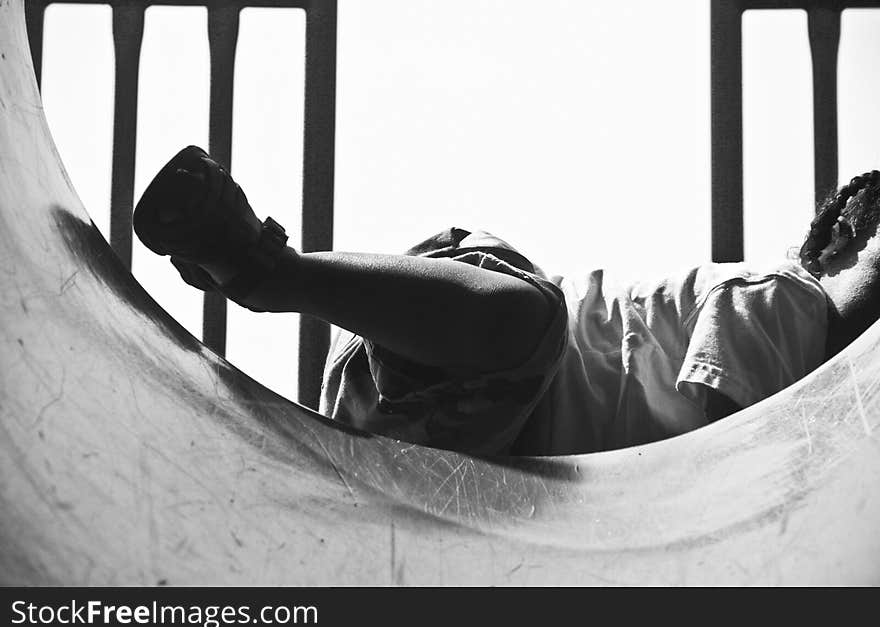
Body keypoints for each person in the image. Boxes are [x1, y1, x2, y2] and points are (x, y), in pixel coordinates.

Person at [133, 145, 880, 456]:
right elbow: (729, 468)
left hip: (456, 424)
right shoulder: (790, 302)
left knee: (529, 325)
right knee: (533, 322)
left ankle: (252, 264)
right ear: (853, 229)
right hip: (471, 351)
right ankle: (269, 271)